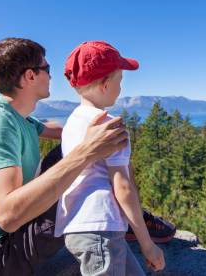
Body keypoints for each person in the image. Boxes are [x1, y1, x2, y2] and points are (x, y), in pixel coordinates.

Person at [0, 38, 128, 276]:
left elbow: (59, 131)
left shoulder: (18, 117)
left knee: (67, 153)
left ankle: (126, 214)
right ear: (30, 76)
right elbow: (8, 216)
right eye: (46, 69)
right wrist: (87, 152)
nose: (51, 76)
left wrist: (94, 129)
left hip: (6, 238)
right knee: (83, 175)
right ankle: (125, 216)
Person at [55, 41, 165, 275]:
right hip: (101, 228)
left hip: (78, 226)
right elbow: (123, 188)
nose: (121, 89)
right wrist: (148, 244)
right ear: (105, 85)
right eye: (120, 82)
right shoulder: (109, 126)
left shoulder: (73, 122)